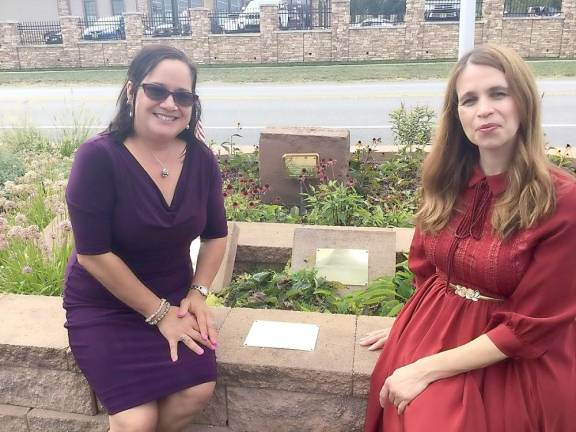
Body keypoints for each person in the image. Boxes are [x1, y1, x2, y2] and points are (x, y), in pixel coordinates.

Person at [360, 44, 576, 431]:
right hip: (434, 327)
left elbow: (534, 324)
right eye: (469, 100)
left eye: (498, 93)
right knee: (394, 391)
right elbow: (426, 267)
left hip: (509, 353)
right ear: (457, 114)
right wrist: (407, 325)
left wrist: (425, 368)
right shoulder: (446, 180)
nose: (484, 110)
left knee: (435, 418)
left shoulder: (561, 201)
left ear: (524, 102)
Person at [63, 45, 228, 432]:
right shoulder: (98, 157)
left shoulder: (201, 159)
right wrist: (160, 315)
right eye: (157, 91)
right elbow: (92, 254)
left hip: (174, 298)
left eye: (183, 96)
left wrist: (197, 293)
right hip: (106, 306)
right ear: (131, 91)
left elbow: (216, 235)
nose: (170, 104)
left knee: (197, 390)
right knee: (136, 421)